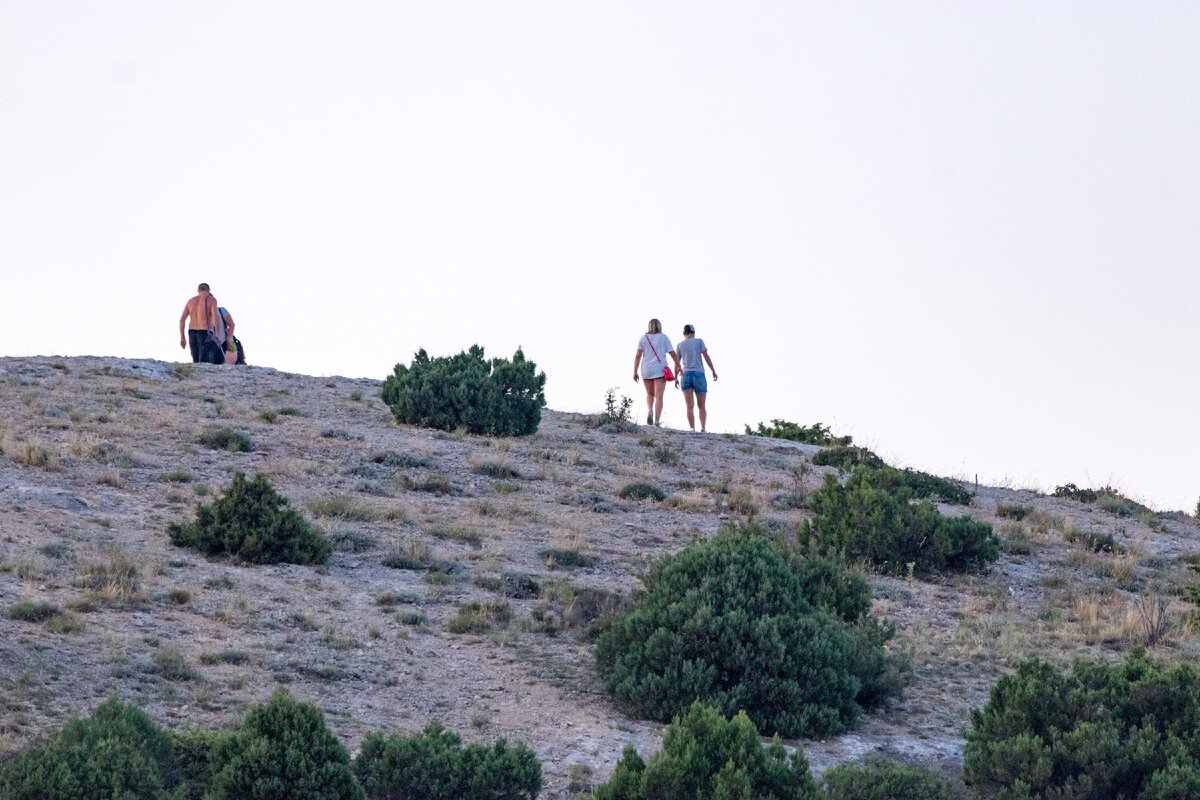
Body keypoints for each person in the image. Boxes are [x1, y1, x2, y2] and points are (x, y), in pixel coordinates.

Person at [633, 318, 681, 427]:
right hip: (659, 369)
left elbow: (637, 356)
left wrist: (635, 371)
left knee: (650, 394)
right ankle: (657, 421)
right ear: (659, 326)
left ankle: (650, 410)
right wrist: (679, 366)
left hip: (646, 369)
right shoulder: (664, 337)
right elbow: (673, 354)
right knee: (659, 396)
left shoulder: (643, 338)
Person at [675, 323, 718, 432]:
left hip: (686, 374)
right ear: (693, 333)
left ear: (684, 333)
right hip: (699, 374)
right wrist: (713, 370)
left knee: (689, 406)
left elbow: (677, 363)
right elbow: (706, 356)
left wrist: (675, 377)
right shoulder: (699, 341)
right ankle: (703, 428)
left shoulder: (680, 345)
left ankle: (692, 429)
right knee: (701, 406)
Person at [178, 283, 223, 364]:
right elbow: (215, 317)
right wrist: (218, 334)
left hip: (191, 331)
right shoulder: (212, 300)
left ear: (198, 290)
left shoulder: (190, 301)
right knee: (203, 360)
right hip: (204, 331)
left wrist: (182, 337)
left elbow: (182, 320)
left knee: (195, 359)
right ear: (209, 291)